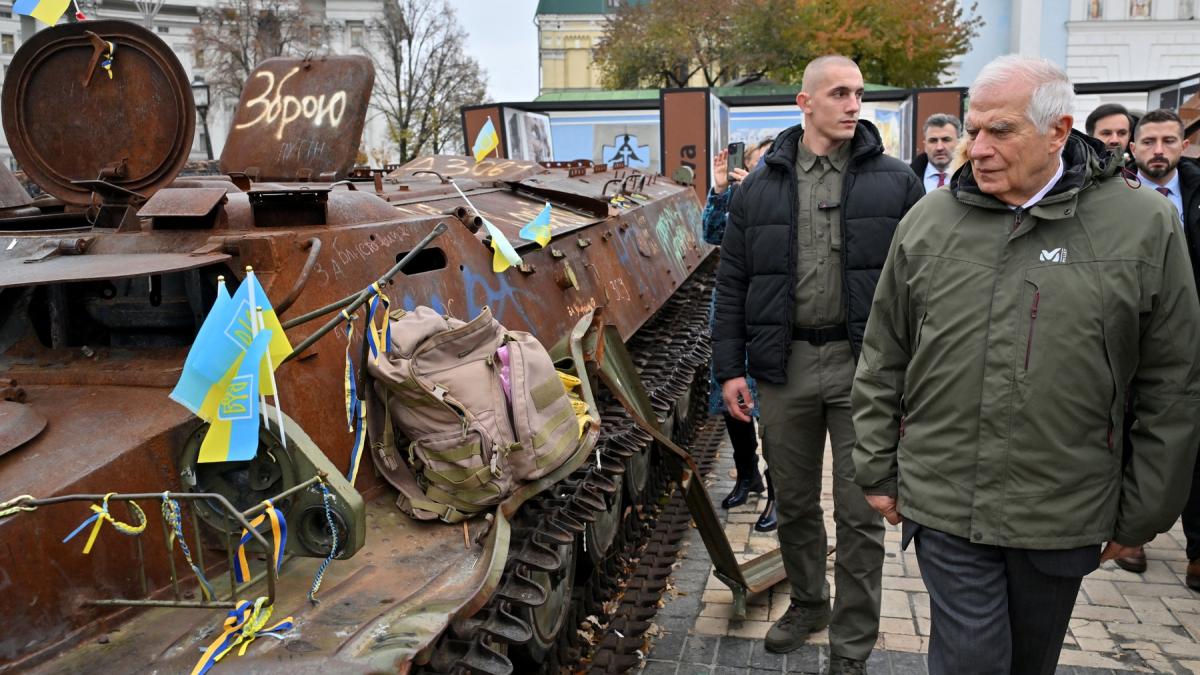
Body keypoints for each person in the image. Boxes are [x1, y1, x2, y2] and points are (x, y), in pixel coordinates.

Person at [852, 55, 1200, 674]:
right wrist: (876, 464)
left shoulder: (1144, 225)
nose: (976, 148)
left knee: (1030, 663)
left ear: (1058, 131)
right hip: (945, 499)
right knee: (971, 661)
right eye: (972, 129)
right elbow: (885, 352)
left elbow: (1172, 382)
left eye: (1000, 131)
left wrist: (1146, 508)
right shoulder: (929, 222)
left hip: (1062, 509)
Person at [713, 54, 922, 673]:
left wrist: (914, 379)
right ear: (805, 102)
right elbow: (733, 281)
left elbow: (921, 288)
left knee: (864, 512)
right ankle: (809, 602)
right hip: (786, 364)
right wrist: (730, 369)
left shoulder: (897, 182)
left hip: (869, 369)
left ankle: (852, 643)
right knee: (796, 501)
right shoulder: (760, 187)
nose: (853, 103)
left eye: (858, 93)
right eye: (838, 93)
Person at [1114, 108, 1200, 580]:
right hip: (1136, 333)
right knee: (1135, 430)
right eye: (1148, 142)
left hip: (1191, 333)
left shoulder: (1194, 195)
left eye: (1169, 141)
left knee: (1189, 438)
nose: (1158, 150)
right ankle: (1134, 535)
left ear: (1183, 145)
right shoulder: (1117, 199)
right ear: (1134, 147)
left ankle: (1197, 547)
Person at [704, 137, 777, 532]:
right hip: (733, 315)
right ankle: (747, 475)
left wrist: (759, 193)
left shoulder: (785, 199)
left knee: (773, 411)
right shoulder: (735, 198)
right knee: (734, 406)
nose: (760, 168)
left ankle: (779, 492)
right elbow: (711, 234)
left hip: (770, 314)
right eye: (754, 162)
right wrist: (719, 190)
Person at [910, 114, 963, 193]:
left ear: (959, 143)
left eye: (946, 140)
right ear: (925, 145)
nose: (939, 147)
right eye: (933, 140)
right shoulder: (909, 178)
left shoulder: (972, 179)